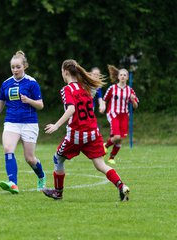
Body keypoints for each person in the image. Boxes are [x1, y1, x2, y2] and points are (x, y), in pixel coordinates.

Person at [42, 59, 130, 201]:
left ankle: (58, 193)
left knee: (58, 158)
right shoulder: (86, 88)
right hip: (93, 133)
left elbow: (71, 108)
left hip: (76, 135)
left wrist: (56, 125)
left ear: (65, 72)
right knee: (101, 165)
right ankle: (121, 186)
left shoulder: (66, 90)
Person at [0, 50, 46, 194]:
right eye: (13, 67)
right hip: (11, 122)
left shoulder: (32, 83)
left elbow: (40, 105)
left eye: (18, 67)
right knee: (8, 149)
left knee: (30, 158)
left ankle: (41, 176)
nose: (15, 70)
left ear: (24, 66)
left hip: (29, 123)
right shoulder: (6, 83)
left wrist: (29, 100)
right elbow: (0, 103)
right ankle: (13, 183)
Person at [102, 65, 139, 164]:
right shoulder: (112, 88)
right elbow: (104, 100)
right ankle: (105, 146)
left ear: (127, 77)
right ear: (118, 77)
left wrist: (132, 100)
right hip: (113, 113)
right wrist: (102, 106)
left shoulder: (130, 90)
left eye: (124, 75)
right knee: (117, 137)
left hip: (124, 116)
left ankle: (111, 158)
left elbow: (136, 106)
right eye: (121, 75)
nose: (122, 76)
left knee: (119, 139)